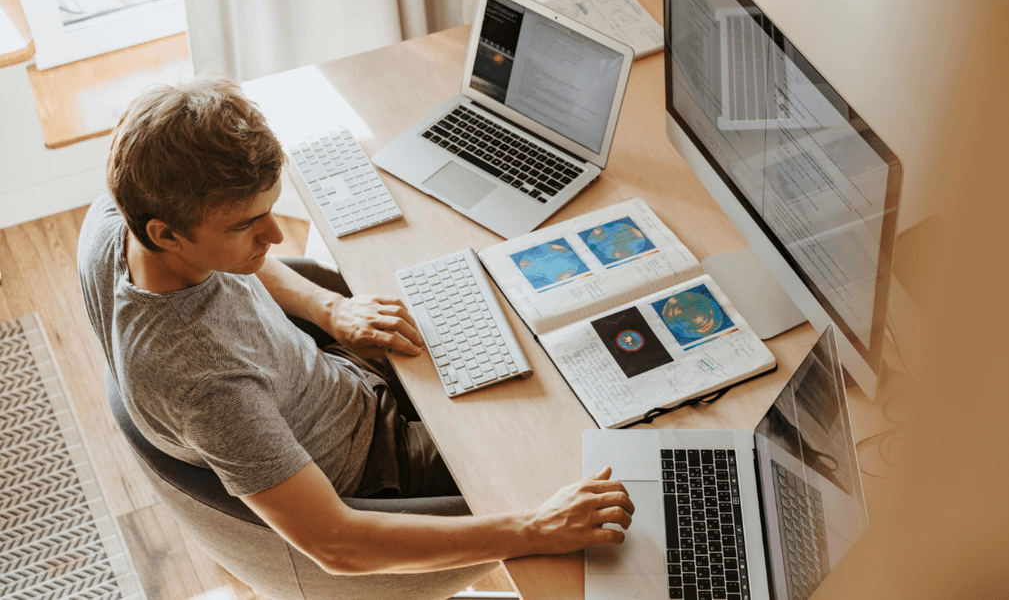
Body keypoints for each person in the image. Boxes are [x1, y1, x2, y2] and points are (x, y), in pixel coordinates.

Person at [77, 74, 633, 575]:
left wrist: (329, 309)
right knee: (575, 445)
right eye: (247, 226)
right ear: (166, 233)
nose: (275, 237)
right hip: (376, 469)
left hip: (335, 380)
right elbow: (338, 545)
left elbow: (230, 249)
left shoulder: (119, 217)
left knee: (519, 335)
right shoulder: (206, 385)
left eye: (270, 210)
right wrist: (535, 530)